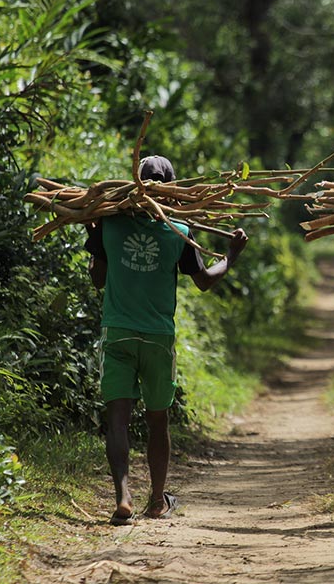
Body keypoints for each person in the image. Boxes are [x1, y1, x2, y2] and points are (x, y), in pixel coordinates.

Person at [85, 155, 249, 526]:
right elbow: (205, 281)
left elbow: (98, 280)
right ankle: (157, 500)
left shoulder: (109, 223)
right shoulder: (178, 229)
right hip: (159, 337)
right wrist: (233, 256)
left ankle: (123, 496)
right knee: (158, 421)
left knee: (118, 421)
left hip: (118, 333)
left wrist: (94, 235)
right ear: (173, 189)